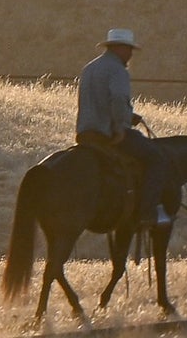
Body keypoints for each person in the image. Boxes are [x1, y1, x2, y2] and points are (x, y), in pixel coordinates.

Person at [75, 26, 174, 227]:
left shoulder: (90, 68)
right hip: (108, 133)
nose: (130, 55)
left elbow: (97, 102)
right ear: (119, 48)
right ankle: (147, 212)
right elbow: (118, 98)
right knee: (156, 158)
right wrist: (121, 126)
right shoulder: (118, 70)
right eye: (129, 49)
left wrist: (130, 116)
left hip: (85, 133)